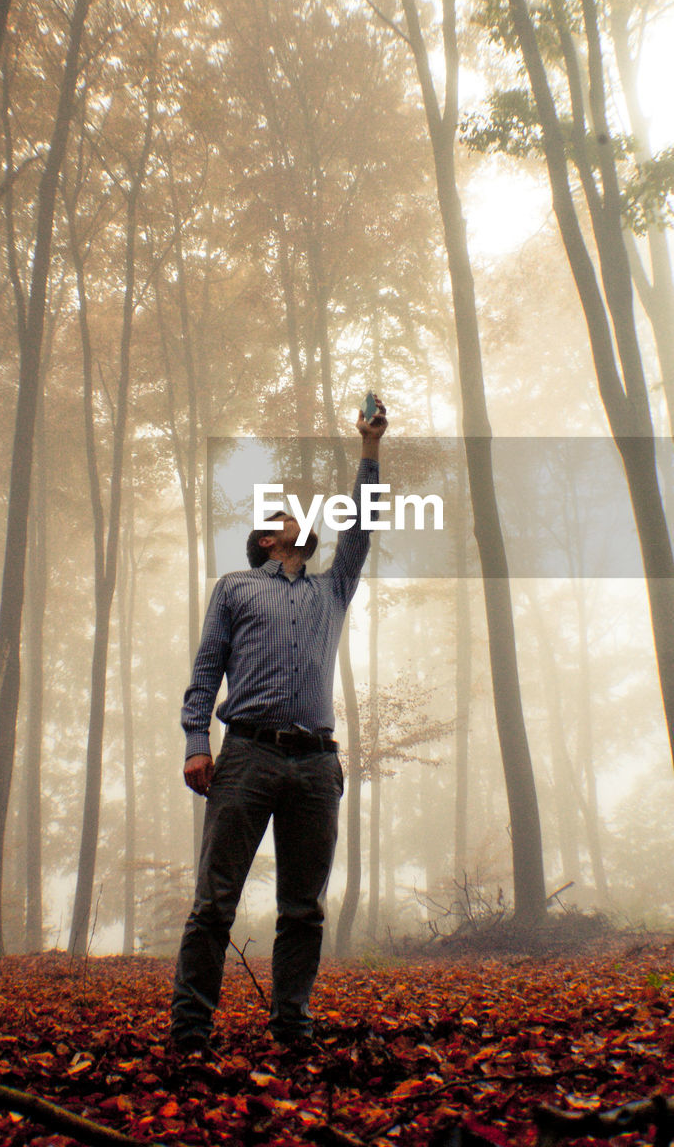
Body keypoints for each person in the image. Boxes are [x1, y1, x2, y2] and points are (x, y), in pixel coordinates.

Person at [170, 397, 387, 1054]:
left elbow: (363, 528)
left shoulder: (331, 590)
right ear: (268, 537)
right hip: (246, 757)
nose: (302, 521)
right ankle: (190, 1032)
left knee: (304, 909)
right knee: (214, 903)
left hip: (317, 764)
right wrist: (194, 742)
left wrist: (369, 449)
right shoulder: (236, 587)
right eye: (287, 516)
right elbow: (206, 671)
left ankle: (291, 1029)